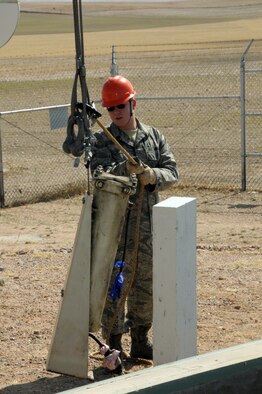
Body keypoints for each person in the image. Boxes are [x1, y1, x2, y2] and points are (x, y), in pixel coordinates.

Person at [90, 75, 179, 361]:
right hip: (115, 226)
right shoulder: (101, 141)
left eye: (121, 106)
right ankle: (113, 343)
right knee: (115, 284)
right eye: (111, 108)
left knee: (144, 282)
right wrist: (123, 169)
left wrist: (152, 175)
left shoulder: (153, 137)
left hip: (148, 227)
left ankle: (140, 339)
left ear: (133, 103)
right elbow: (98, 175)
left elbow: (172, 171)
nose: (116, 113)